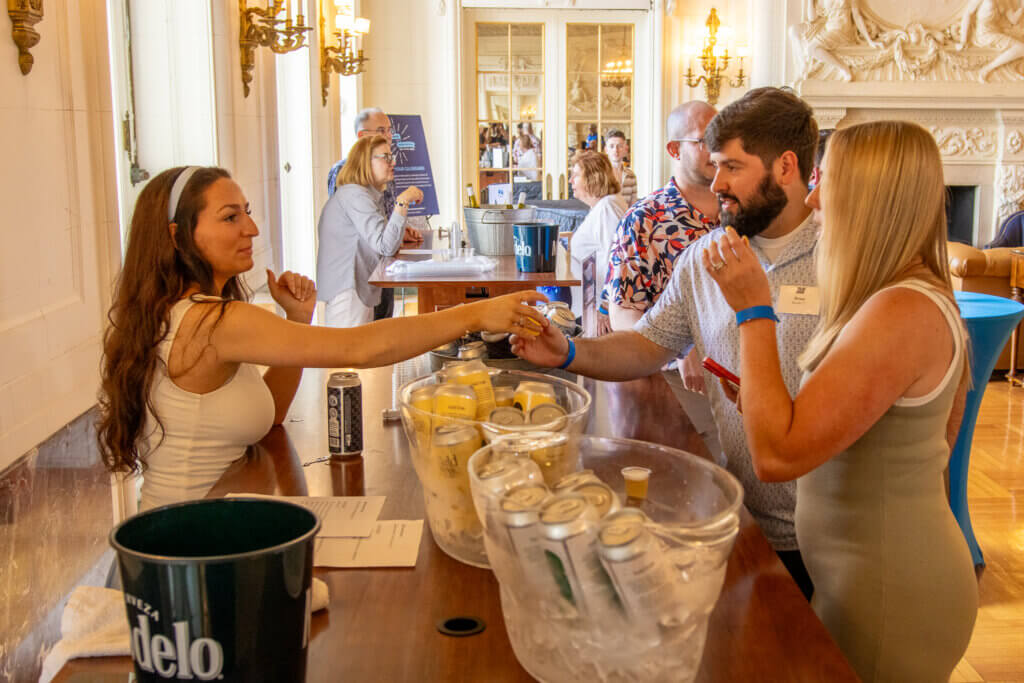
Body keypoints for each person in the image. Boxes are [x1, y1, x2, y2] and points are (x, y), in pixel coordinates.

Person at [513, 88, 821, 599]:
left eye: (732, 167)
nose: (717, 183)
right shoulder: (705, 256)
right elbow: (645, 344)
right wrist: (568, 352)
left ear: (786, 167)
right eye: (714, 164)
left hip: (826, 540)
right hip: (739, 517)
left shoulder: (843, 257)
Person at [97, 166, 549, 511]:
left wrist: (298, 316)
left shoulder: (181, 313)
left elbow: (271, 415)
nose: (251, 229)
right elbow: (359, 347)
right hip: (191, 543)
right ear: (179, 236)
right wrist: (476, 313)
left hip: (205, 518)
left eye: (247, 214)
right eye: (230, 217)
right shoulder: (213, 322)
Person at [701, 120, 977, 681]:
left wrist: (753, 309)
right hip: (865, 578)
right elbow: (934, 429)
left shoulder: (900, 309)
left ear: (872, 196)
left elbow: (775, 459)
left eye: (828, 178)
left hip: (885, 595)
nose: (814, 195)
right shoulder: (896, 295)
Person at [602, 102, 721, 456]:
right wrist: (680, 350)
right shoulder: (644, 219)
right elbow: (622, 313)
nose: (717, 149)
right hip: (678, 384)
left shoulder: (743, 210)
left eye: (723, 138)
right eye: (705, 140)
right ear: (674, 149)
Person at [317, 135, 423, 327]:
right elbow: (385, 246)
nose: (393, 163)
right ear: (365, 161)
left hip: (356, 288)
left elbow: (378, 237)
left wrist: (400, 232)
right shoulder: (355, 195)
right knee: (348, 353)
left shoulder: (364, 195)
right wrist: (403, 201)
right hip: (348, 291)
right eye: (386, 157)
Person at [327, 107, 398, 321]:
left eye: (389, 130)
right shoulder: (343, 172)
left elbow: (385, 214)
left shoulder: (384, 167)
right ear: (362, 135)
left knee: (383, 322)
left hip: (382, 263)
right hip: (356, 270)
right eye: (380, 130)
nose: (387, 135)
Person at [567, 151, 628, 319]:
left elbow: (617, 261)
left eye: (576, 175)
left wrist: (604, 308)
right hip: (588, 307)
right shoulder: (602, 206)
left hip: (598, 312)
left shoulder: (607, 208)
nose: (570, 181)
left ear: (592, 177)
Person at [604, 129, 637, 206]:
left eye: (620, 146)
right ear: (606, 149)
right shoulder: (600, 174)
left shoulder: (631, 175)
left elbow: (633, 206)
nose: (616, 150)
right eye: (611, 146)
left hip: (625, 217)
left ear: (626, 149)